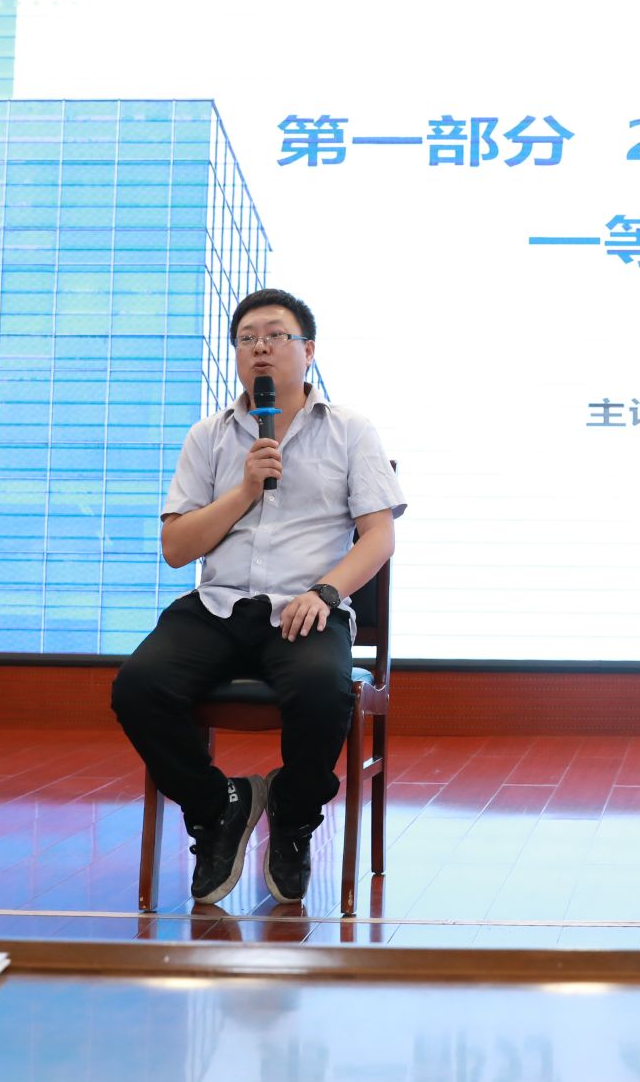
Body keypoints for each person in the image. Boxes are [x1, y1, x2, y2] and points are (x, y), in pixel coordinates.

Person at [111, 288, 404, 906]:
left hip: (305, 608)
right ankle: (218, 806)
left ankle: (292, 819)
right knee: (138, 687)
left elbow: (379, 536)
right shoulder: (209, 436)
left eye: (275, 335)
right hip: (217, 606)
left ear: (308, 350)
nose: (260, 348)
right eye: (247, 339)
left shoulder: (350, 430)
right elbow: (176, 548)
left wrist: (326, 591)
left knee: (323, 691)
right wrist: (244, 490)